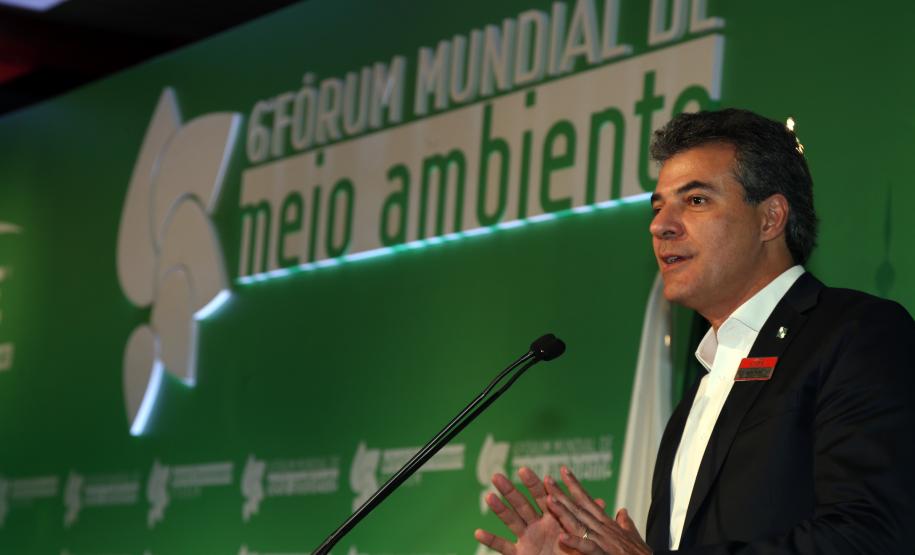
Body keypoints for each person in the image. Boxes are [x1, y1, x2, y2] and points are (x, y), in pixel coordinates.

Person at [474, 108, 915, 554]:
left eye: (696, 200)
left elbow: (871, 534)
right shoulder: (695, 400)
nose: (660, 225)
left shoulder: (856, 334)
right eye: (659, 206)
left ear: (770, 218)